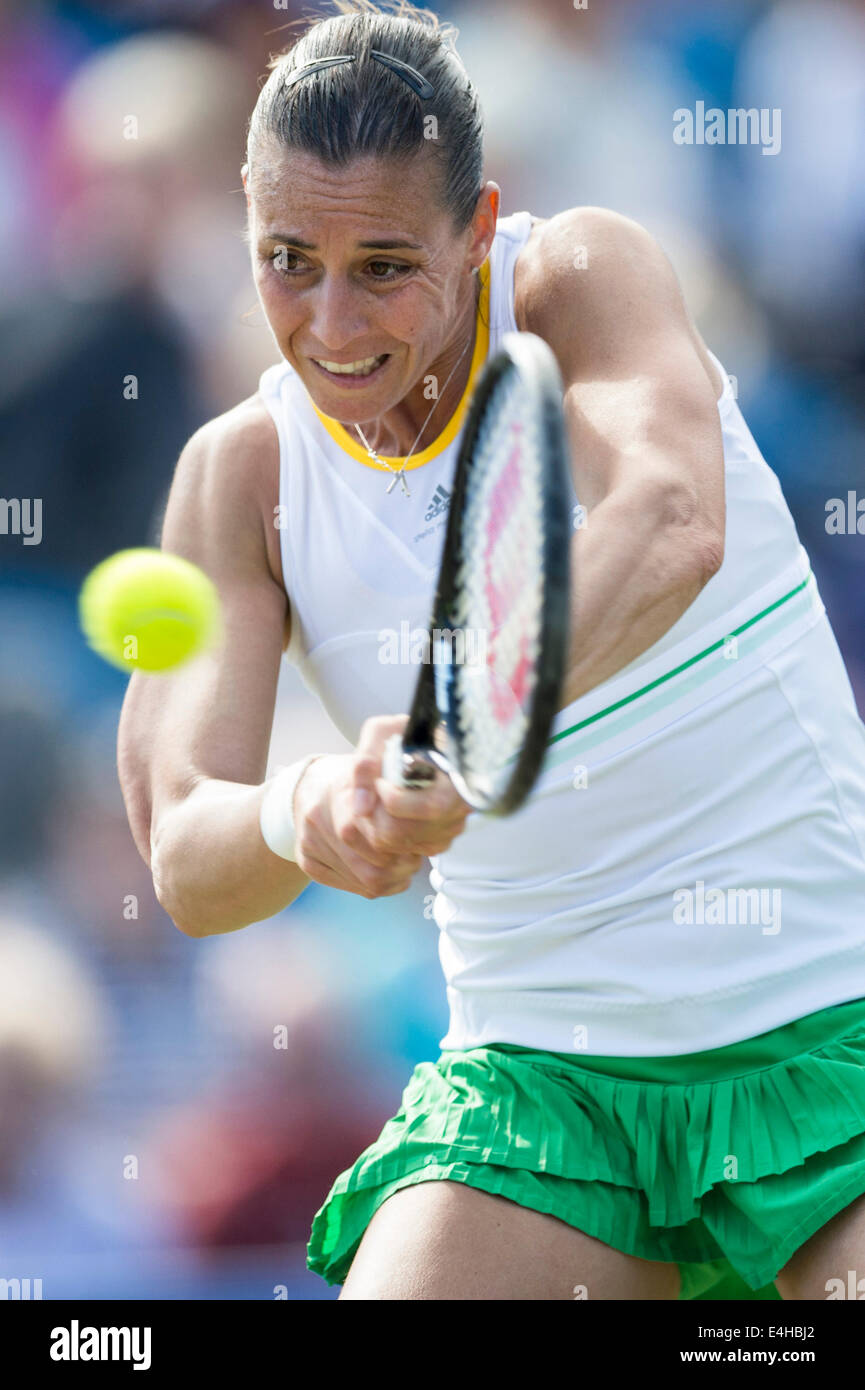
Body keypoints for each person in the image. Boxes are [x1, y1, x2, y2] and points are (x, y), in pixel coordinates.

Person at [117, 1, 865, 1301]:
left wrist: (469, 719)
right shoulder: (237, 476)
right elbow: (185, 849)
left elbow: (671, 518)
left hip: (828, 1029)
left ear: (476, 228)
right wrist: (313, 812)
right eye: (287, 259)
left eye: (385, 264)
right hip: (538, 1089)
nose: (332, 325)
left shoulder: (578, 278)